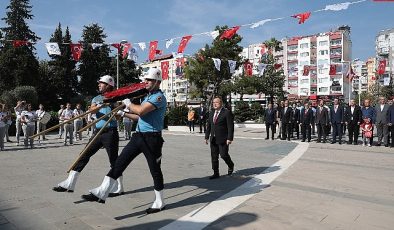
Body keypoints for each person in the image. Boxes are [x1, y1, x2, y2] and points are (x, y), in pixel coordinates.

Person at [81, 69, 167, 214]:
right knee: (119, 162)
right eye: (145, 80)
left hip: (152, 139)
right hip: (138, 136)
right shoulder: (147, 97)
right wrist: (124, 113)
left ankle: (160, 201)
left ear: (157, 82)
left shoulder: (158, 98)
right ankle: (102, 191)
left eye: (149, 80)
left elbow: (140, 111)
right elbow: (139, 117)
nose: (146, 82)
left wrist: (128, 104)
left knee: (155, 170)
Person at [53, 75, 124, 197]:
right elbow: (91, 111)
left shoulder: (116, 98)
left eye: (101, 83)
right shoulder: (96, 98)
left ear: (108, 85)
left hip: (110, 132)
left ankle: (119, 187)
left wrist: (115, 109)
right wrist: (101, 105)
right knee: (84, 154)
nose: (99, 85)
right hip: (97, 132)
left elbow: (118, 117)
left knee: (114, 160)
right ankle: (70, 183)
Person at [205, 97, 234, 180]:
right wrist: (206, 137)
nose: (214, 104)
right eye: (213, 102)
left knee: (223, 155)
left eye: (216, 102)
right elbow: (209, 126)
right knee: (214, 157)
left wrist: (230, 138)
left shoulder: (226, 113)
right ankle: (216, 172)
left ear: (221, 103)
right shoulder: (211, 112)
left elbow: (230, 127)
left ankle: (230, 165)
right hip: (213, 139)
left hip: (223, 139)